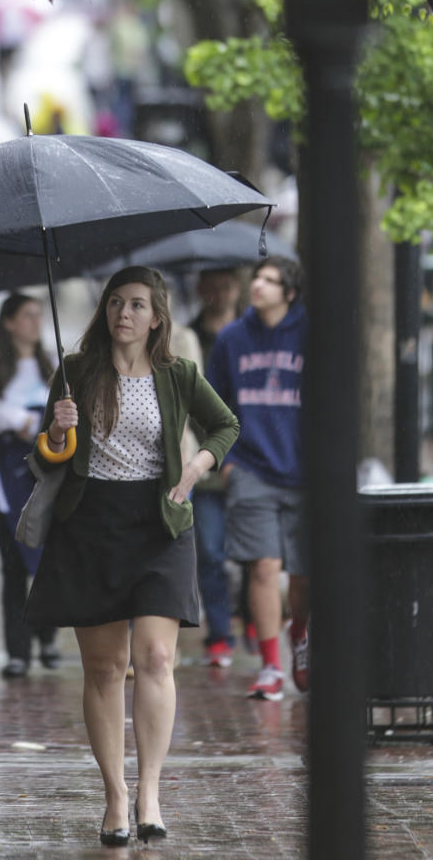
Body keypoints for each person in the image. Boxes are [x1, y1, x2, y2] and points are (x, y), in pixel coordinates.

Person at [24, 266, 239, 847]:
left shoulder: (178, 374)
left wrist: (197, 467)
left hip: (159, 523)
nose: (125, 313)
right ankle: (114, 796)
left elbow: (224, 425)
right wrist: (57, 430)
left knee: (156, 657)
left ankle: (149, 791)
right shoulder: (74, 372)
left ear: (157, 316)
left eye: (138, 305)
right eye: (116, 302)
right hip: (90, 525)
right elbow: (45, 458)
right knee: (102, 668)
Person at [207, 256, 309, 701]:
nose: (259, 286)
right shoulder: (231, 339)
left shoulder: (312, 336)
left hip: (307, 474)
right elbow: (211, 404)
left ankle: (300, 635)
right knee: (263, 567)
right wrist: (226, 462)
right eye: (257, 278)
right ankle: (270, 665)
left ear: (289, 293)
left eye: (271, 281)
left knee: (303, 574)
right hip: (250, 469)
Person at [0, 292, 60, 678]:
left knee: (47, 561)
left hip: (44, 481)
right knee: (13, 565)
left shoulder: (52, 368)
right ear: (8, 322)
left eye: (39, 315)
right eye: (27, 315)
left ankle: (48, 637)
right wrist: (11, 419)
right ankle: (17, 650)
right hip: (0, 486)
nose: (35, 322)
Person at [187, 268, 245, 668]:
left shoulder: (250, 336)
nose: (222, 292)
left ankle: (256, 620)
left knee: (255, 551)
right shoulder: (186, 338)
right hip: (204, 463)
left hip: (252, 462)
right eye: (215, 284)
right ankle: (221, 631)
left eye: (229, 284)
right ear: (201, 289)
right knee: (209, 549)